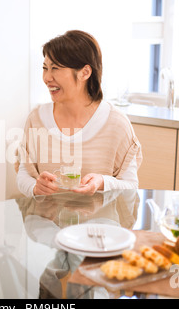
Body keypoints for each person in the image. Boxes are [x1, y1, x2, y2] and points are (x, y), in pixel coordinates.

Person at [16, 30, 142, 197]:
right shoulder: (36, 118)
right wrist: (35, 187)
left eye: (55, 68)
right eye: (45, 68)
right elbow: (24, 174)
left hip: (98, 221)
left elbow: (131, 185)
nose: (47, 77)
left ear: (85, 72)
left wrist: (102, 182)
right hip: (48, 221)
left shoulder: (117, 124)